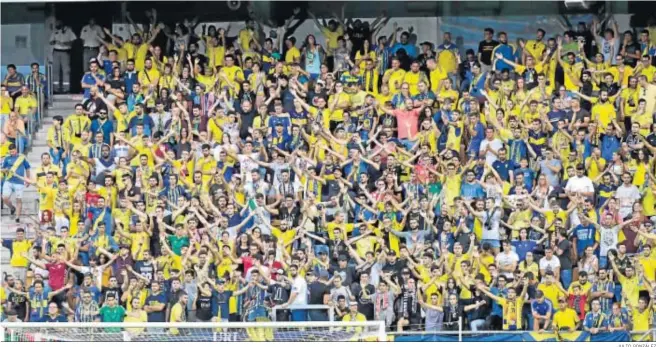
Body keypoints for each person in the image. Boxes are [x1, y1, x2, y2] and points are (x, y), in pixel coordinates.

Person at [1, 144, 31, 222]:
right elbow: (2, 169)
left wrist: (27, 179)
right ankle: (12, 208)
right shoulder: (7, 158)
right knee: (4, 198)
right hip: (9, 180)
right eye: (10, 152)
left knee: (18, 199)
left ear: (16, 150)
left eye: (13, 151)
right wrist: (5, 170)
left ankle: (17, 217)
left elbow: (27, 168)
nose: (12, 153)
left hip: (19, 182)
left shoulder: (22, 158)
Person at [49, 20, 77, 93]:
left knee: (66, 70)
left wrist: (65, 43)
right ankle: (55, 89)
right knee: (55, 70)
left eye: (58, 23)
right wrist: (55, 41)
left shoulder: (68, 30)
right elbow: (50, 41)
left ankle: (66, 88)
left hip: (65, 52)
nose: (57, 24)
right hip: (56, 51)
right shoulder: (55, 31)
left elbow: (74, 40)